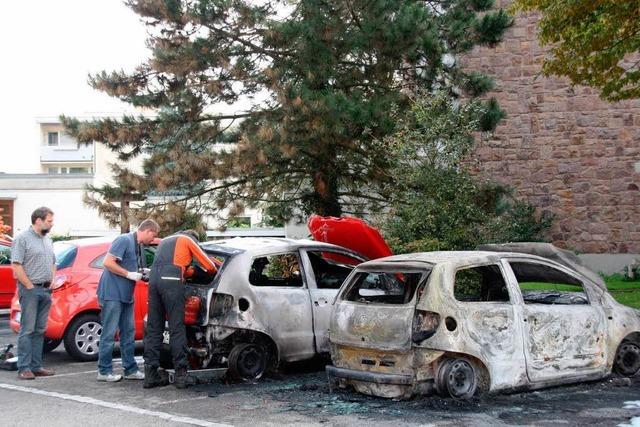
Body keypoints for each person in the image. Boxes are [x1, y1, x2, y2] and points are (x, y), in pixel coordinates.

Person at [143, 229, 217, 389]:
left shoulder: (166, 241)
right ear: (194, 238)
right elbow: (210, 267)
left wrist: (187, 270)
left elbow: (174, 262)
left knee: (154, 328)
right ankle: (181, 376)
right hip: (171, 280)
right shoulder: (187, 240)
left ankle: (150, 376)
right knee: (177, 328)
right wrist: (201, 271)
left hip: (153, 280)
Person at [97, 219, 160, 382]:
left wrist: (141, 271)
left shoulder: (137, 245)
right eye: (153, 236)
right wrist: (128, 274)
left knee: (129, 332)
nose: (152, 240)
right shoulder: (123, 240)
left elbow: (129, 264)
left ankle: (130, 369)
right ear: (147, 230)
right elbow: (107, 262)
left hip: (126, 295)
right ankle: (103, 371)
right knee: (109, 333)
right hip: (112, 294)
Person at [11, 207, 57, 380]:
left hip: (46, 289)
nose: (52, 224)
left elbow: (53, 262)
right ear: (38, 220)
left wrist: (52, 279)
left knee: (40, 329)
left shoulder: (48, 240)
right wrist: (29, 286)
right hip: (30, 290)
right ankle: (24, 367)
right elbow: (17, 264)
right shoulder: (22, 239)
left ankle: (36, 366)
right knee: (28, 329)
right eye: (49, 221)